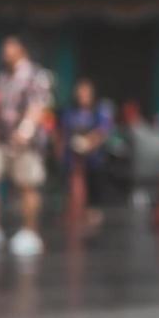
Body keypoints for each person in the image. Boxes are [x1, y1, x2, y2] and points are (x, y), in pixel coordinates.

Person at [0, 36, 53, 257]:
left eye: (10, 46)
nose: (5, 50)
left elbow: (39, 105)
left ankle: (29, 231)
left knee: (27, 185)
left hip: (24, 143)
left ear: (21, 48)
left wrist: (25, 131)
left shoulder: (35, 75)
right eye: (4, 46)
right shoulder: (1, 76)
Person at [61, 77, 112, 215]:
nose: (82, 95)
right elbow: (63, 133)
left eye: (86, 92)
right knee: (73, 196)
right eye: (80, 92)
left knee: (93, 207)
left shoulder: (101, 109)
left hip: (94, 163)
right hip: (74, 162)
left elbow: (103, 130)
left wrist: (86, 143)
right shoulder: (70, 111)